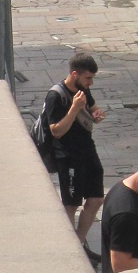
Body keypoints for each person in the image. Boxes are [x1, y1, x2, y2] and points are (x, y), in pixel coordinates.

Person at [43, 51, 106, 243]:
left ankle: (79, 239)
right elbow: (56, 131)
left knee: (96, 199)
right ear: (74, 74)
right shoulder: (56, 96)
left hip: (87, 150)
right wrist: (75, 108)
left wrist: (96, 115)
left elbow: (93, 108)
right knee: (71, 204)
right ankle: (71, 245)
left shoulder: (83, 89)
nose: (90, 83)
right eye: (88, 78)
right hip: (68, 156)